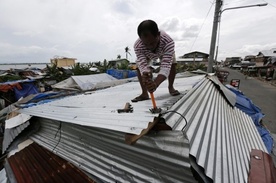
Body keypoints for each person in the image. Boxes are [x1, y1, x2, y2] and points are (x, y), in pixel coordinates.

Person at [131, 20, 180, 102]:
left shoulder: (168, 42)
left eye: (153, 43)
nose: (150, 47)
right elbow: (143, 65)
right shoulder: (138, 46)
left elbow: (165, 67)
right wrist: (146, 73)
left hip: (163, 51)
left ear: (158, 34)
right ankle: (144, 93)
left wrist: (155, 83)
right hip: (146, 54)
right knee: (138, 67)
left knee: (172, 64)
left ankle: (171, 87)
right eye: (146, 44)